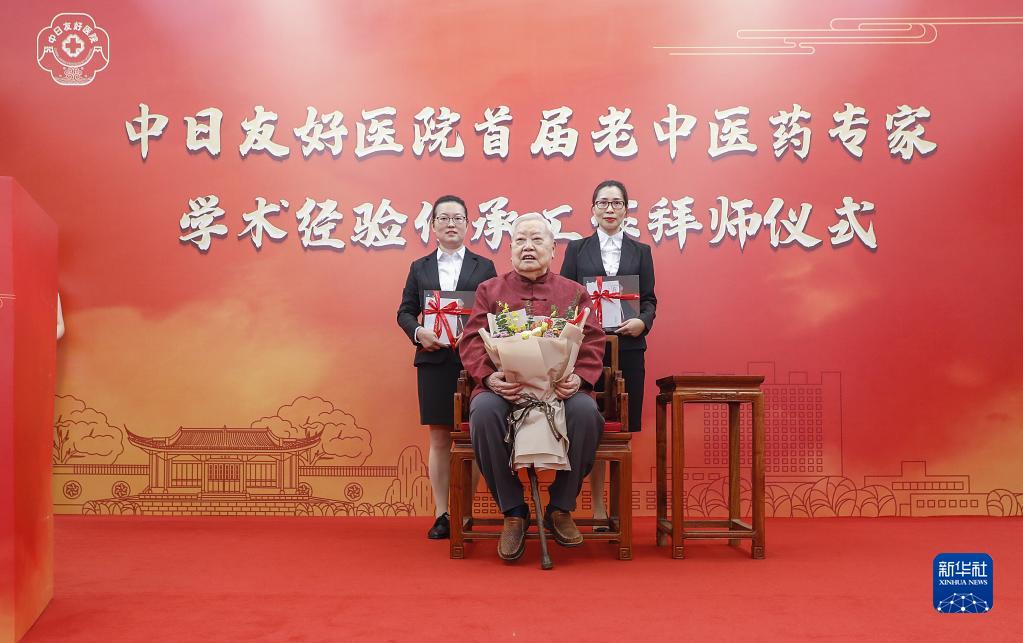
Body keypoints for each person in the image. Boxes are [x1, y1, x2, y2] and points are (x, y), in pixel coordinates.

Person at [459, 214, 605, 561]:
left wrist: (579, 378)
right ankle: (513, 511)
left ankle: (560, 507)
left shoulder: (574, 292)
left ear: (553, 249)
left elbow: (592, 340)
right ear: (510, 250)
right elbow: (472, 341)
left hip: (558, 389)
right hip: (506, 389)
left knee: (587, 412)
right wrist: (489, 378)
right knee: (483, 411)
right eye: (520, 241)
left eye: (537, 240)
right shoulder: (489, 291)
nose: (528, 247)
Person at [397, 195, 497, 539]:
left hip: (475, 362)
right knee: (440, 437)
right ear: (433, 225)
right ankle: (442, 513)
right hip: (435, 360)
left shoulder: (485, 266)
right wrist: (418, 332)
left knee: (473, 436)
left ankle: (464, 510)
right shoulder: (419, 267)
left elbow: (494, 312)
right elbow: (404, 312)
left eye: (457, 218)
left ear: (468, 224)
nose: (451, 224)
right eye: (444, 218)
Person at [560, 179, 656, 528]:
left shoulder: (641, 251)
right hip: (588, 351)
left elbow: (649, 301)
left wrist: (642, 322)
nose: (610, 209)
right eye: (603, 203)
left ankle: (618, 509)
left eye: (616, 203)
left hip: (627, 349)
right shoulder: (577, 250)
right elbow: (565, 299)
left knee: (620, 430)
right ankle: (598, 508)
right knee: (591, 426)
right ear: (593, 210)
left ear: (626, 210)